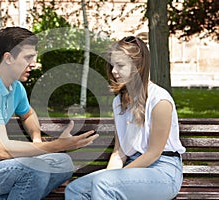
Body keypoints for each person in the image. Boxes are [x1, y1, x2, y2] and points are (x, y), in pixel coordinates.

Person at [0, 27, 99, 200]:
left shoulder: (15, 87)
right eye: (28, 57)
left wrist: (36, 138)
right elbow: (1, 150)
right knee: (35, 170)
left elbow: (28, 115)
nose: (33, 63)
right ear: (8, 58)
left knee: (63, 163)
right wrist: (57, 145)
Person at [65, 36, 186, 200]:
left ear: (138, 67)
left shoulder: (160, 101)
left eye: (120, 65)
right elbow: (119, 152)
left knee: (104, 184)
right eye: (112, 65)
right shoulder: (118, 103)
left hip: (163, 171)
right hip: (133, 166)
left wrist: (111, 179)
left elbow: (153, 154)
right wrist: (110, 177)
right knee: (75, 189)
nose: (114, 71)